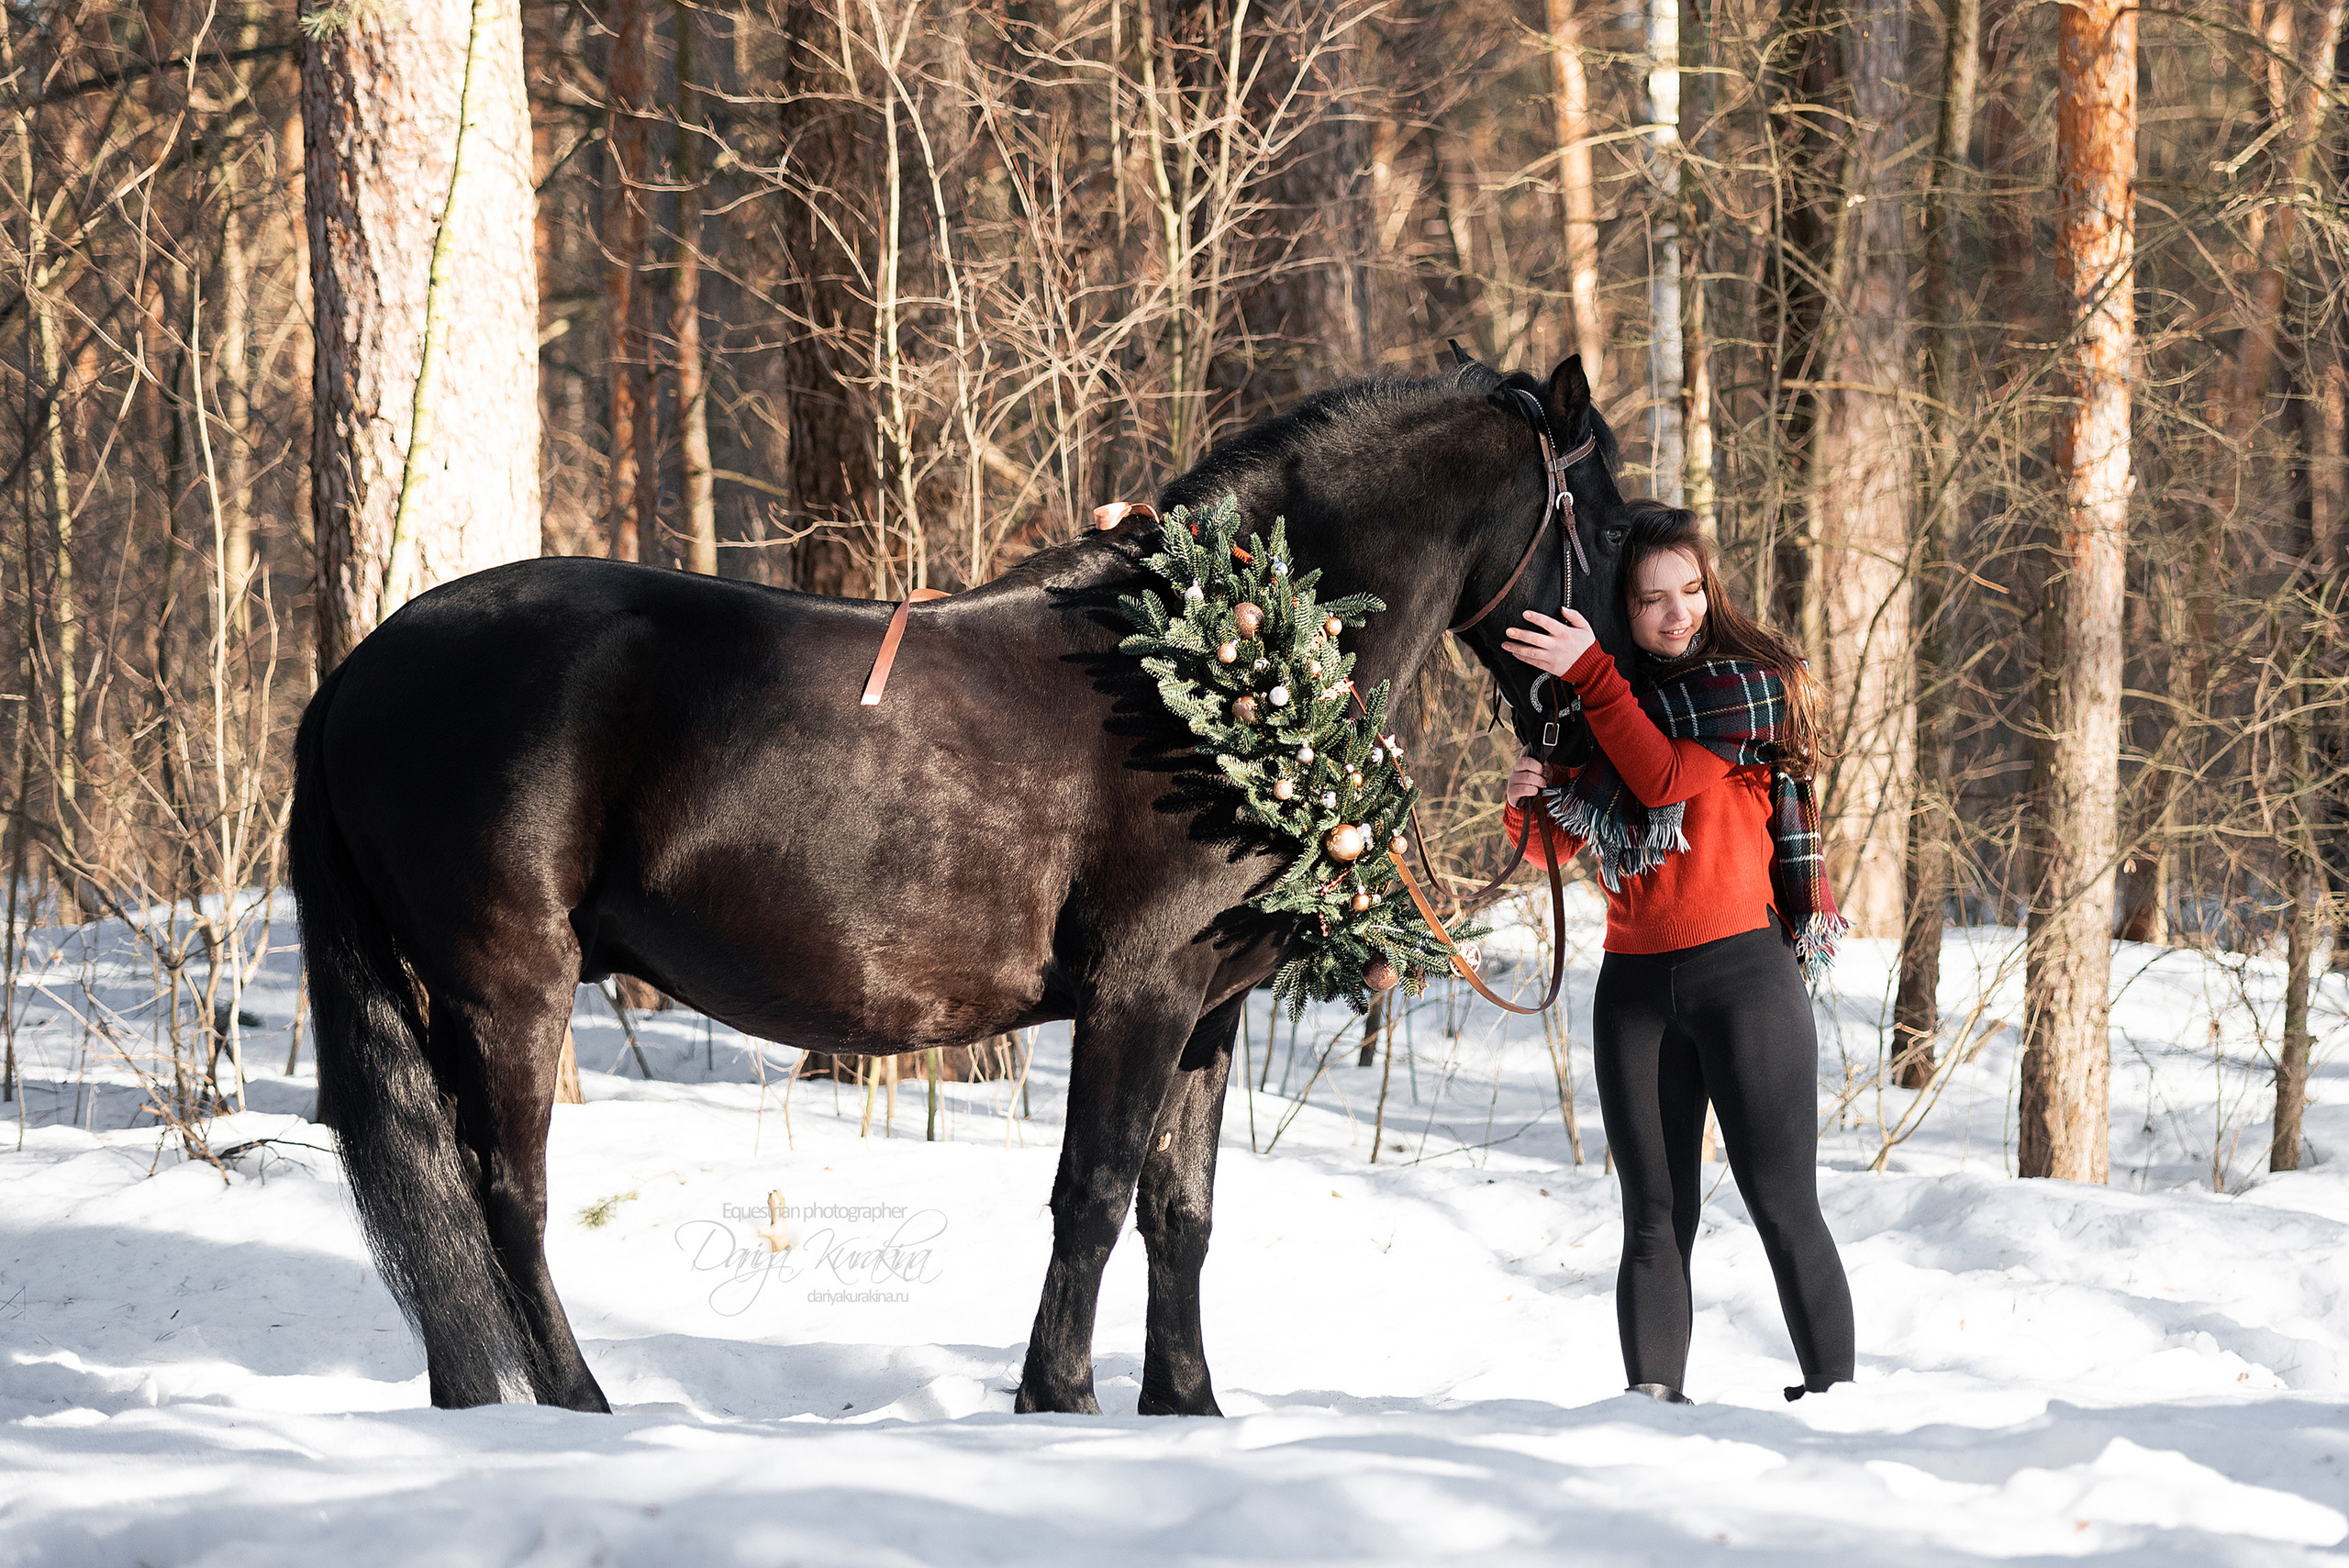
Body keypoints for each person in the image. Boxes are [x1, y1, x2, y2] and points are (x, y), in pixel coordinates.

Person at [1500, 500, 1854, 1406]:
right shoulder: (1601, 706)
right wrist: (1529, 797)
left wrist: (1590, 676)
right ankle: (1651, 1410)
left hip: (1745, 982)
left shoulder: (1745, 685)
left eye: (1690, 588)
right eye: (1652, 597)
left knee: (1782, 1206)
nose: (1675, 611)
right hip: (1633, 990)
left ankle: (1836, 1402)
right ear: (1625, 607)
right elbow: (1554, 849)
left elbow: (1659, 775)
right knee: (1653, 1218)